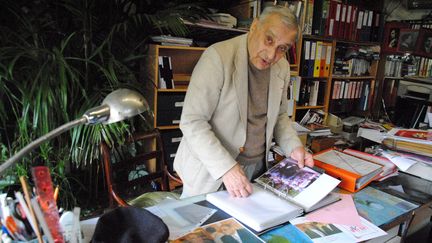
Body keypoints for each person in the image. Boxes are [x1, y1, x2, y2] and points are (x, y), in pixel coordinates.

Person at [174, 5, 314, 198]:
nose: (272, 55)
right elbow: (192, 121)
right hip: (211, 171)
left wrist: (294, 147)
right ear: (255, 26)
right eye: (269, 39)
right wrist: (227, 168)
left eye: (282, 48)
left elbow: (279, 115)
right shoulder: (217, 57)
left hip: (257, 169)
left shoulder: (281, 67)